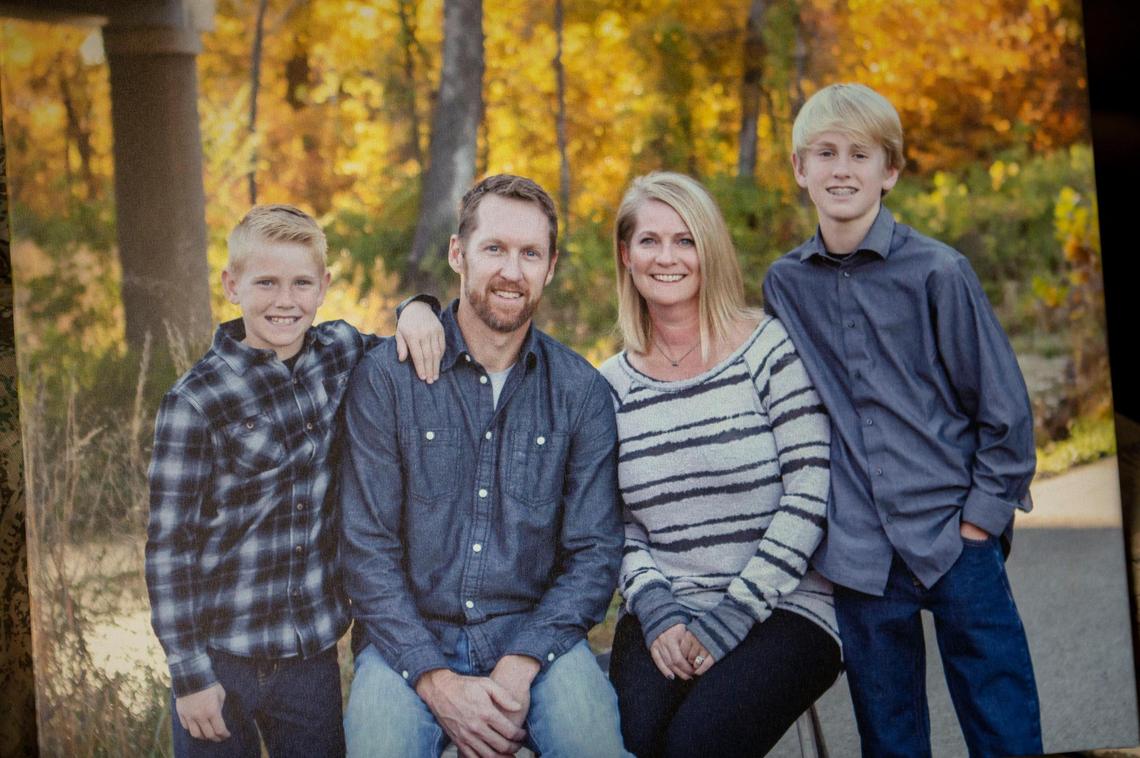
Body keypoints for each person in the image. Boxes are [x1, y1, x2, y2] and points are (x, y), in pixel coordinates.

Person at [763, 83, 1041, 757]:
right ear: (800, 169)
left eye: (861, 154)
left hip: (954, 535)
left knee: (1001, 720)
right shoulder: (784, 285)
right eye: (825, 153)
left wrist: (980, 523)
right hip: (858, 553)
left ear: (890, 171)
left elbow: (1003, 411)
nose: (842, 169)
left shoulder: (939, 272)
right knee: (890, 738)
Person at [338, 174, 629, 758]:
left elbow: (595, 554)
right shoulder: (387, 378)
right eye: (494, 248)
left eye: (530, 254)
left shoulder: (581, 392)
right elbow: (366, 549)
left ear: (550, 268)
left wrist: (520, 666)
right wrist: (435, 682)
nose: (511, 271)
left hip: (535, 641)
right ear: (457, 253)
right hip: (407, 644)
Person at [145, 204, 442, 758]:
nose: (286, 300)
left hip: (310, 658)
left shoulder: (340, 352)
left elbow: (407, 339)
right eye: (266, 283)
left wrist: (419, 307)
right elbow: (168, 550)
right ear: (232, 285)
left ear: (324, 286)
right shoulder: (194, 401)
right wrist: (189, 674)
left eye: (302, 283)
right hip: (219, 659)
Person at [599, 171, 842, 757]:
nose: (668, 257)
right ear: (626, 255)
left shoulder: (767, 347)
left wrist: (734, 614)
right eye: (650, 241)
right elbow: (612, 522)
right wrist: (656, 611)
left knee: (697, 748)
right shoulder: (608, 385)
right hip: (665, 610)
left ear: (710, 249)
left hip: (786, 606)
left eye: (685, 240)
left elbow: (811, 489)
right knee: (626, 745)